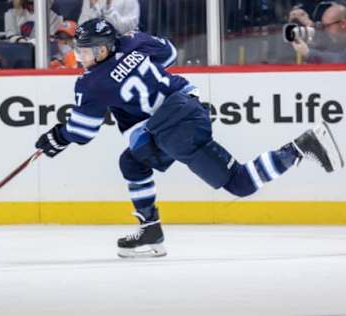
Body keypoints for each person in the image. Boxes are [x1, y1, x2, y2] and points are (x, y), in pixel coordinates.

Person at [35, 18, 344, 258]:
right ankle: (150, 231)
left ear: (103, 49)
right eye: (80, 50)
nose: (81, 56)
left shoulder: (91, 83)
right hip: (180, 109)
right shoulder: (134, 42)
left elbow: (82, 131)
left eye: (87, 51)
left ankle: (301, 147)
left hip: (176, 125)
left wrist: (55, 138)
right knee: (132, 162)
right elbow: (168, 53)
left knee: (238, 182)